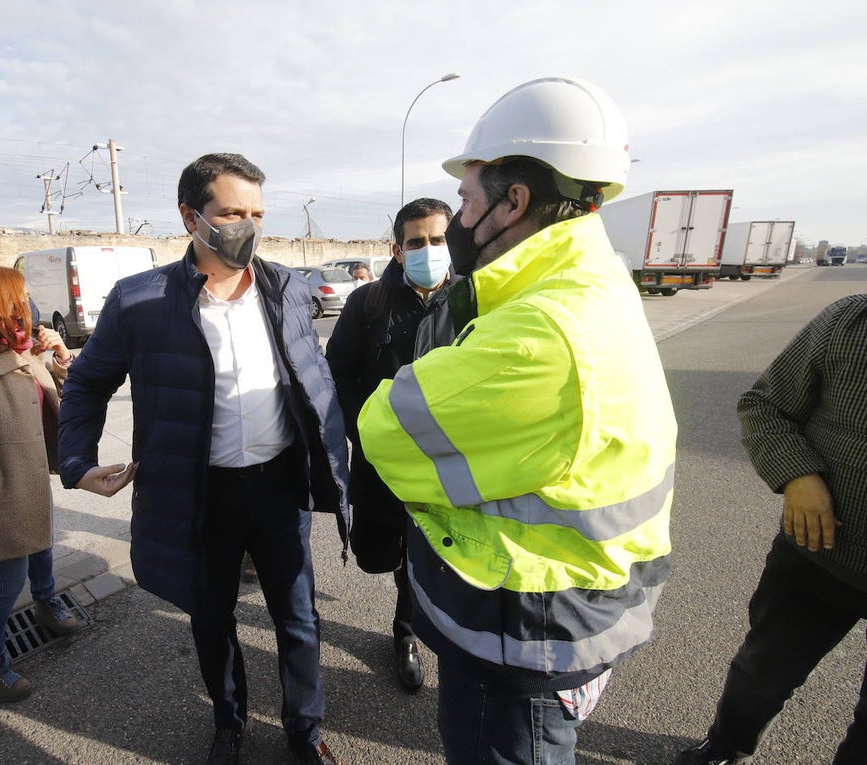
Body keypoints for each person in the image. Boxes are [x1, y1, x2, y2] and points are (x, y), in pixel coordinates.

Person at [357, 76, 677, 764]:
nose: (456, 222)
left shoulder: (539, 330)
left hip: (524, 642)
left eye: (466, 201)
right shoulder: (593, 283)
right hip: (571, 610)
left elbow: (386, 425)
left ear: (514, 202)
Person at [59, 153, 350, 765]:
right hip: (199, 492)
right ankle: (228, 723)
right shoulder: (141, 300)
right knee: (211, 618)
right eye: (232, 212)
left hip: (277, 486)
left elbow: (313, 378)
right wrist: (78, 461)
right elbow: (87, 382)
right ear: (191, 217)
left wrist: (336, 461)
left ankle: (306, 729)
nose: (247, 225)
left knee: (297, 620)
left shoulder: (288, 288)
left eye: (257, 214)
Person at [674, 294, 867, 765]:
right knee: (761, 672)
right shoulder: (849, 320)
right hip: (819, 553)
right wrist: (797, 474)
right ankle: (724, 747)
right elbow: (764, 405)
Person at [0, 266, 134, 703]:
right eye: (20, 298)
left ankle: (47, 605)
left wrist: (61, 354)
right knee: (6, 582)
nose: (28, 306)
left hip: (29, 486)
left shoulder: (21, 351)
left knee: (41, 550)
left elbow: (62, 395)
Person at [325, 197, 457, 693]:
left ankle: (408, 632)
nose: (428, 249)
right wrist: (368, 432)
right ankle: (411, 607)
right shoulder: (368, 303)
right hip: (382, 460)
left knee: (432, 550)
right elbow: (337, 375)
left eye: (438, 239)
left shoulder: (474, 300)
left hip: (447, 465)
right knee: (381, 551)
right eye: (416, 242)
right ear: (397, 250)